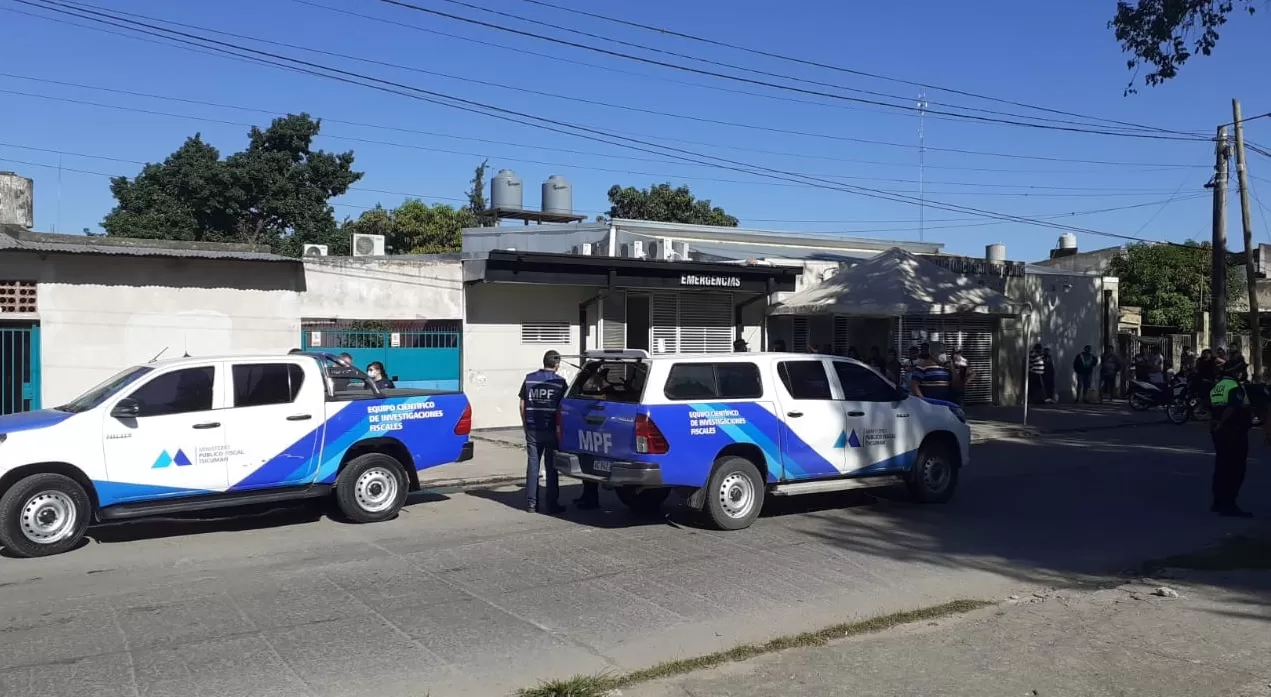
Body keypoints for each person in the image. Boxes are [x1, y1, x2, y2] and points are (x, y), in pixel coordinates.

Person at [519, 350, 568, 514]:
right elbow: (564, 407)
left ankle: (531, 504)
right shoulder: (560, 383)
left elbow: (522, 404)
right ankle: (552, 504)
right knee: (551, 466)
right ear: (557, 364)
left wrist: (525, 425)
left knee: (533, 466)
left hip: (533, 428)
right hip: (551, 429)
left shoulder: (529, 378)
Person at [1207, 354, 1254, 517]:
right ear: (1236, 371)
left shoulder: (1218, 386)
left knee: (1221, 467)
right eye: (1242, 370)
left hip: (1219, 433)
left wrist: (1218, 424)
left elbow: (1213, 407)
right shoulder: (1234, 386)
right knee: (1235, 469)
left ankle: (1218, 502)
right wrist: (1222, 422)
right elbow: (1233, 407)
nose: (1243, 373)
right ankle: (1229, 504)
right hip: (1234, 432)